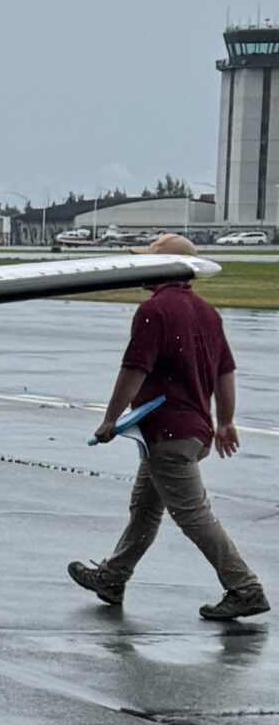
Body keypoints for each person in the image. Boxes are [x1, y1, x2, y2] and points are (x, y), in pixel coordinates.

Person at [68, 239, 264, 625]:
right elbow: (226, 372)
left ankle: (245, 588)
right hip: (192, 429)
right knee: (144, 509)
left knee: (193, 515)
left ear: (166, 267)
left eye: (147, 263)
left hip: (169, 435)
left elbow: (134, 369)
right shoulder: (208, 313)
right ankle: (113, 578)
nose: (141, 269)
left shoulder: (154, 311)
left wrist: (110, 419)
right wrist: (225, 421)